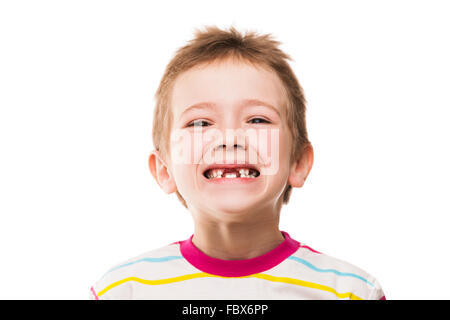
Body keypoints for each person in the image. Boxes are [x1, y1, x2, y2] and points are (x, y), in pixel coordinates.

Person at [89, 25, 386, 300]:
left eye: (257, 119)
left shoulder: (351, 292)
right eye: (200, 123)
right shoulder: (122, 291)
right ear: (164, 170)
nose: (229, 137)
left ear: (298, 162)